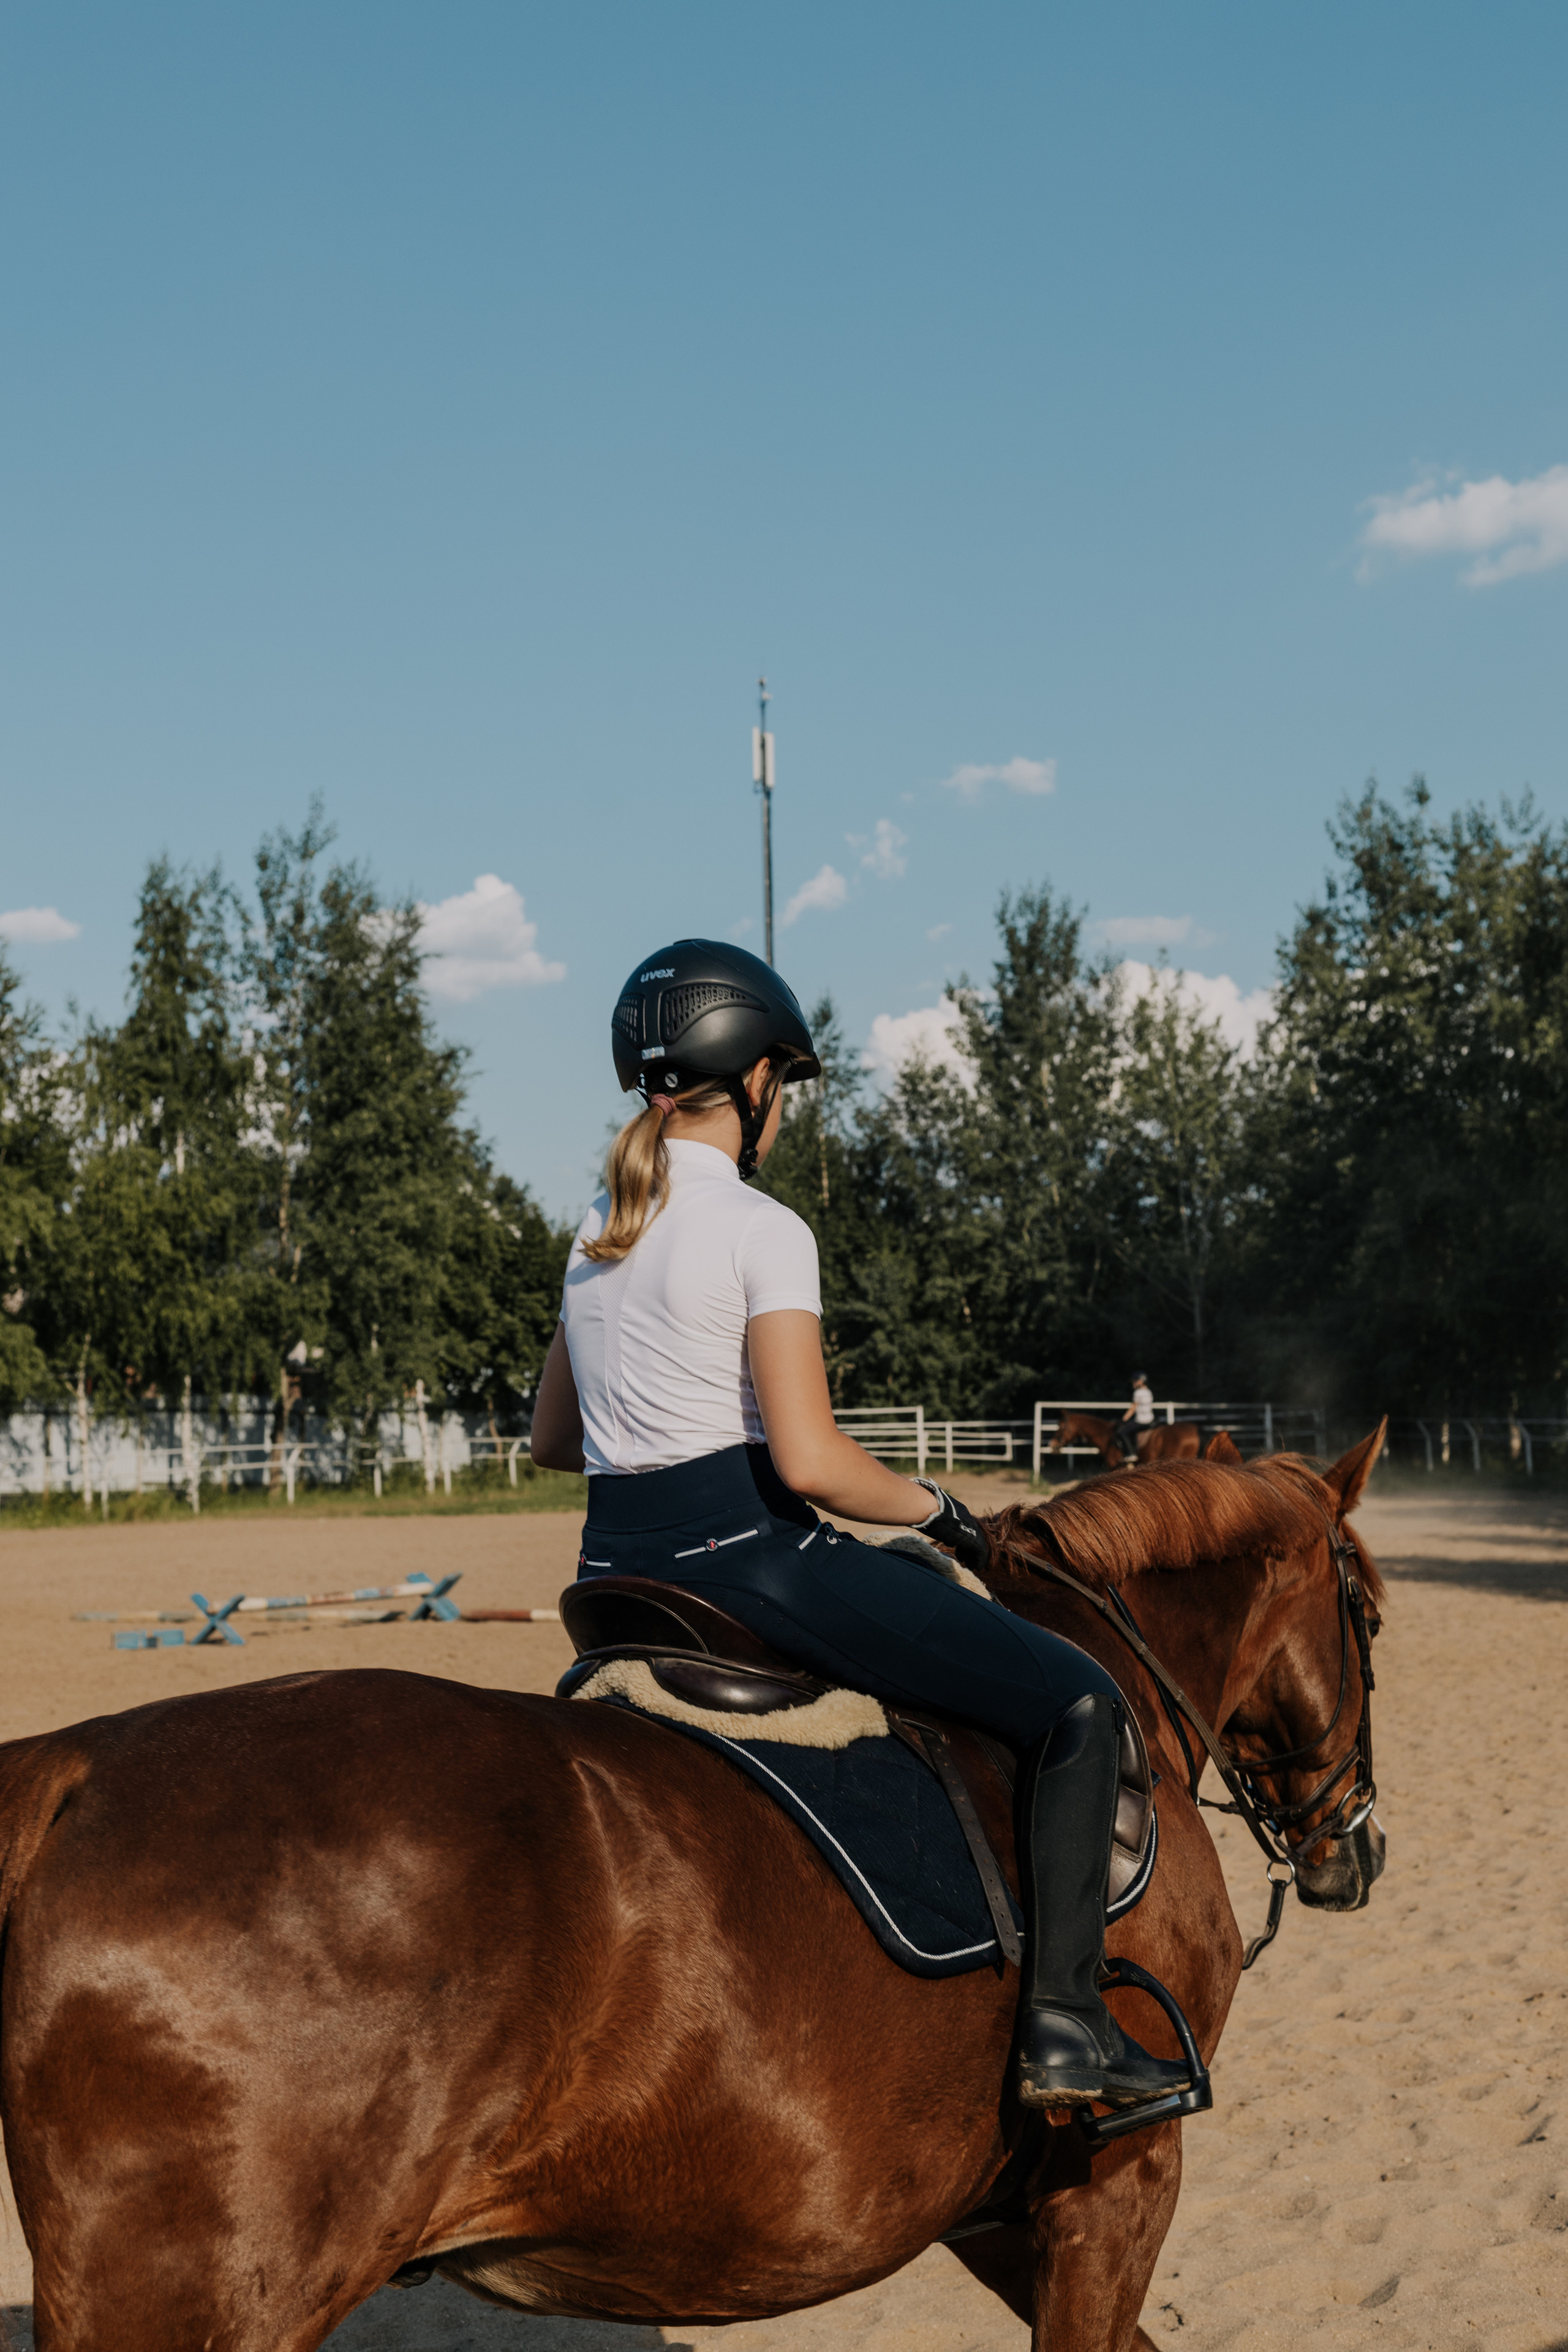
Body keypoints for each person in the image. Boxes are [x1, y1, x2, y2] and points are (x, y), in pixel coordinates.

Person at [530, 937, 1186, 2114]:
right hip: (751, 1563)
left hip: (615, 1573)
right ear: (754, 1081)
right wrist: (947, 1511)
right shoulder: (761, 1229)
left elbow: (550, 1444)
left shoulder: (597, 1229)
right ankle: (1068, 2026)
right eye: (783, 1076)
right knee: (1080, 1703)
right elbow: (815, 1464)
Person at [1117, 1372, 1155, 1463]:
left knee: (1122, 1432)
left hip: (1142, 1420)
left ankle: (1131, 1454)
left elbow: (1133, 1408)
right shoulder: (1148, 1392)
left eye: (1135, 1381)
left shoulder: (1138, 1393)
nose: (1133, 1383)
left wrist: (1124, 1419)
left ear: (1141, 1382)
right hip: (1151, 1419)